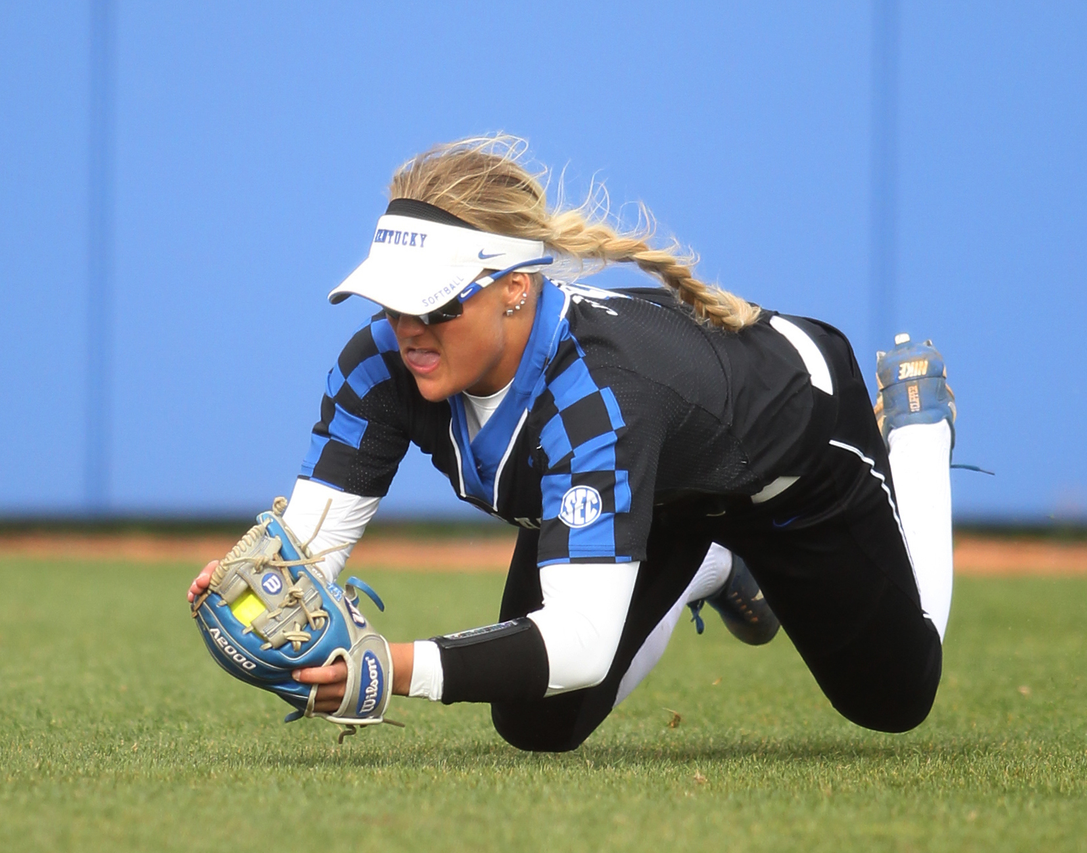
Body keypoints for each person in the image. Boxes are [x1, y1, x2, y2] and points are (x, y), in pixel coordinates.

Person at [187, 135, 957, 752]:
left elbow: (582, 644)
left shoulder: (600, 400)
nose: (408, 327)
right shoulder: (378, 365)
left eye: (434, 303)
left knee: (895, 700)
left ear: (514, 287)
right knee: (534, 725)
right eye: (391, 301)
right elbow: (307, 549)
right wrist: (259, 592)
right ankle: (711, 564)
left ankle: (918, 428)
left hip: (792, 451)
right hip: (658, 476)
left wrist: (391, 668)